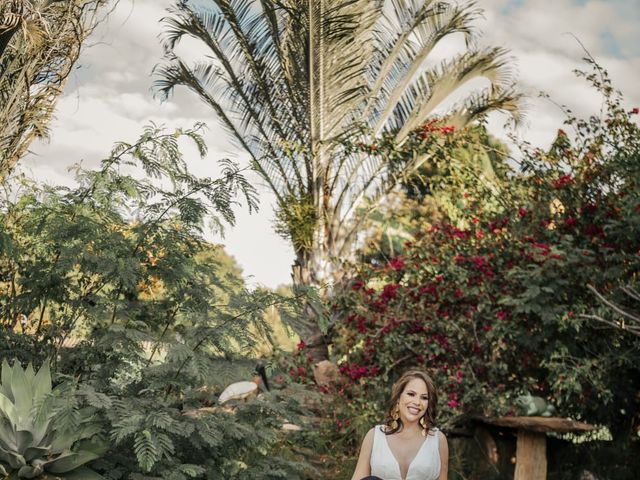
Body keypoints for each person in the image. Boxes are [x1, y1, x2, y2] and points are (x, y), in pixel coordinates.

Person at [351, 369, 448, 480]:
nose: (417, 402)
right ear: (398, 397)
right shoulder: (374, 436)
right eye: (411, 394)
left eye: (424, 397)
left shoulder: (438, 440)